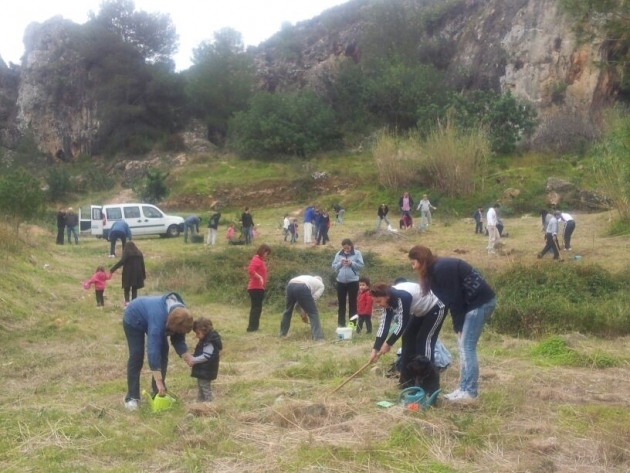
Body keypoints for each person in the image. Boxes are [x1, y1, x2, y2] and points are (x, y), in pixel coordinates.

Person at [408, 245, 496, 401]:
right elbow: (449, 299)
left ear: (421, 260)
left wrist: (458, 325)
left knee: (466, 347)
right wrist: (459, 325)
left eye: (413, 262)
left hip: (479, 303)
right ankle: (463, 388)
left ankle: (470, 392)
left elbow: (455, 298)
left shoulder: (441, 268)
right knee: (463, 347)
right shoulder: (435, 271)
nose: (412, 266)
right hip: (471, 305)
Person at [122, 292, 194, 411]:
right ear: (168, 324)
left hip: (152, 317)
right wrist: (158, 380)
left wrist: (187, 355)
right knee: (137, 356)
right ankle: (132, 398)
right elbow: (153, 349)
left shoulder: (182, 314)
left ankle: (158, 393)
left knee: (163, 353)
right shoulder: (159, 319)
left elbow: (178, 337)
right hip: (134, 317)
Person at [367, 283, 413, 387]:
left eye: (379, 301)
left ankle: (423, 382)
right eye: (376, 302)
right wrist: (375, 349)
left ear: (387, 296)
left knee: (418, 340)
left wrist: (388, 343)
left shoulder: (401, 296)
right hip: (416, 312)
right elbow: (384, 326)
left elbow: (402, 323)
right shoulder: (387, 302)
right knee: (407, 339)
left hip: (431, 308)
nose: (378, 305)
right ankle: (406, 381)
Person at [279, 275, 325, 340]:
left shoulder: (309, 278)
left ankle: (282, 333)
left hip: (291, 284)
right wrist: (304, 313)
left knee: (288, 310)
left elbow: (297, 306)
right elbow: (313, 298)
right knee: (313, 313)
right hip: (302, 286)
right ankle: (318, 337)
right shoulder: (321, 285)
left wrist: (303, 313)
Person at [332, 239, 365, 327]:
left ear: (351, 246)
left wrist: (351, 263)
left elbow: (361, 266)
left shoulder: (357, 253)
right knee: (341, 303)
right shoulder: (339, 254)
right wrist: (340, 263)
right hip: (340, 281)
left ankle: (352, 325)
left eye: (348, 248)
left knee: (352, 303)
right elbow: (334, 266)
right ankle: (341, 324)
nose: (346, 250)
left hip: (353, 281)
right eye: (344, 248)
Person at [190, 317, 222, 402]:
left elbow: (206, 356)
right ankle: (200, 401)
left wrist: (193, 359)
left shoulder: (209, 342)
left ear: (204, 330)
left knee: (205, 387)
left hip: (206, 369)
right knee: (201, 386)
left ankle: (209, 402)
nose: (196, 336)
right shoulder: (205, 339)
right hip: (203, 369)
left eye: (197, 333)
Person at [110, 241, 146, 306]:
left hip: (128, 273)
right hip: (137, 273)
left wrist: (112, 269)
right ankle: (134, 304)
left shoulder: (127, 253)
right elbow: (142, 264)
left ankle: (127, 303)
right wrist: (143, 275)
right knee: (134, 289)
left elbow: (121, 261)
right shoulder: (139, 253)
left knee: (127, 288)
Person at [247, 243, 271, 332]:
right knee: (256, 308)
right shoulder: (256, 259)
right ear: (263, 251)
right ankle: (252, 327)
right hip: (255, 287)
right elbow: (250, 270)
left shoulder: (261, 260)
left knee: (257, 308)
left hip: (259, 288)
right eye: (266, 253)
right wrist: (259, 277)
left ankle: (255, 326)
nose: (267, 255)